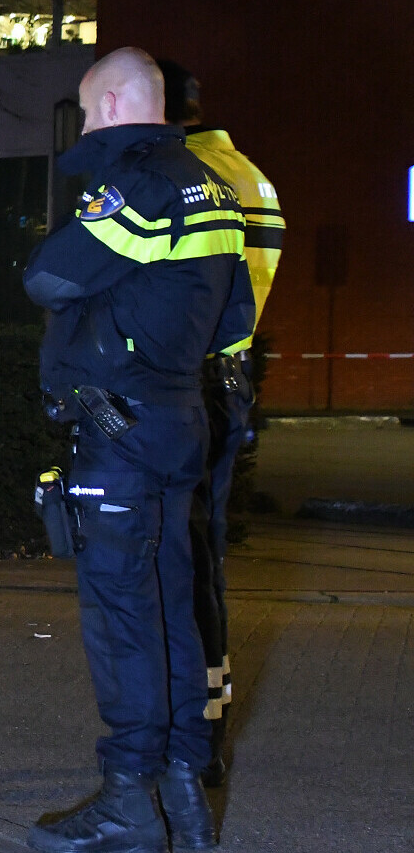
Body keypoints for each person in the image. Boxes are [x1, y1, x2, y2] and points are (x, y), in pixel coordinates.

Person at [23, 47, 255, 853]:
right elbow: (233, 323)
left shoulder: (139, 187)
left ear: (119, 103)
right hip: (181, 420)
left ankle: (128, 800)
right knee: (173, 610)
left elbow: (48, 278)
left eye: (91, 112)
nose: (86, 127)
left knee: (124, 619)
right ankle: (184, 794)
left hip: (118, 431)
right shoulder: (218, 190)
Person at [158, 59, 285, 787]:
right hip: (227, 380)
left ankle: (189, 741)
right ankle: (204, 723)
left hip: (189, 384)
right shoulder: (245, 172)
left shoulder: (185, 179)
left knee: (178, 562)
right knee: (202, 561)